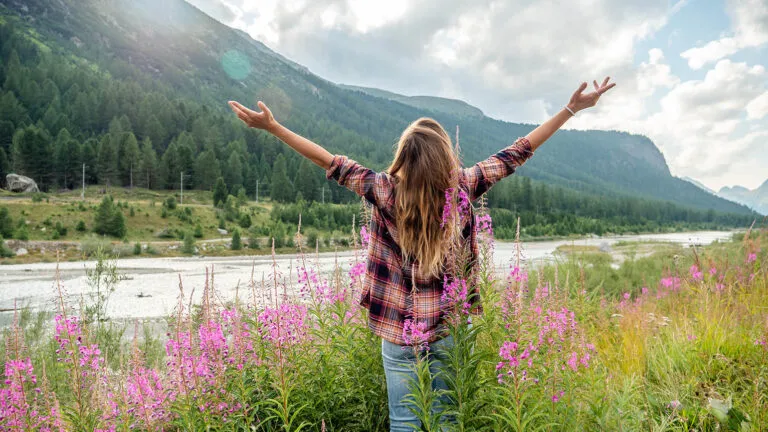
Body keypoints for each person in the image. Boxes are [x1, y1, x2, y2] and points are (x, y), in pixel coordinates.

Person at [228, 77, 615, 431]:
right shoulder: (464, 186)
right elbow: (518, 151)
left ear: (403, 156)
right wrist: (571, 109)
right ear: (445, 157)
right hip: (446, 328)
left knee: (404, 421)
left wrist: (273, 127)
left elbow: (329, 161)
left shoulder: (382, 190)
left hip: (398, 332)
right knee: (446, 416)